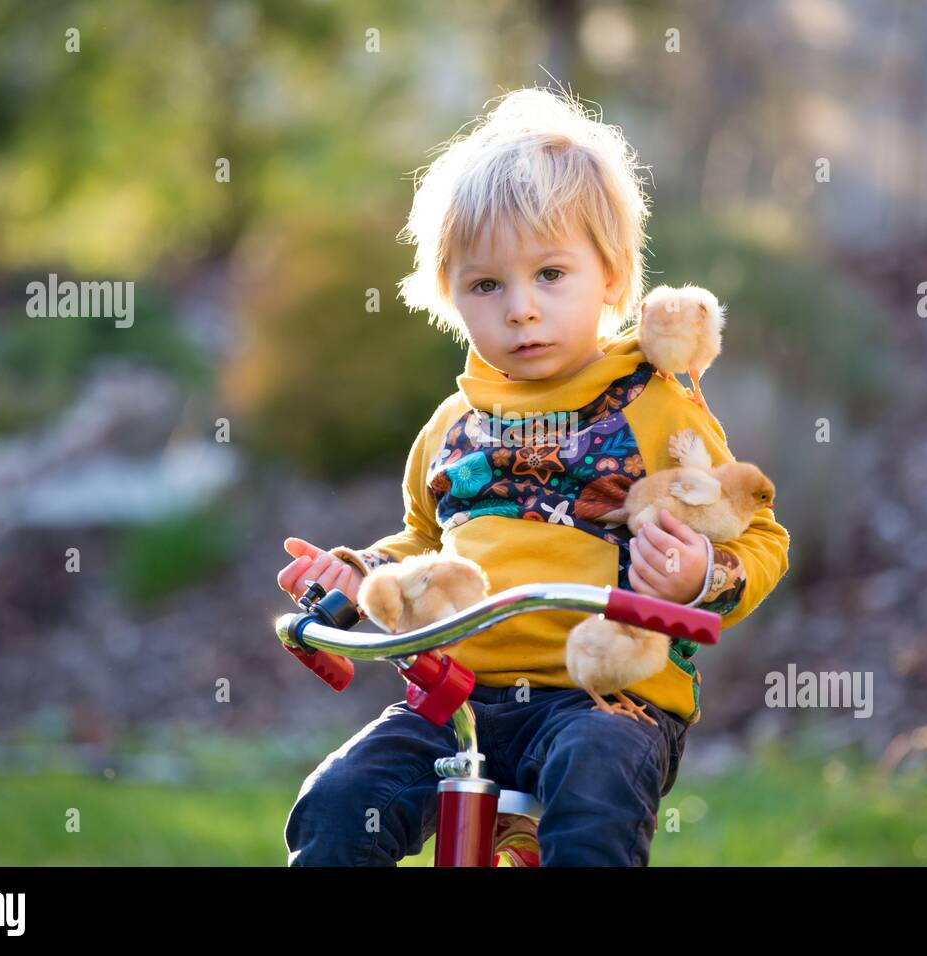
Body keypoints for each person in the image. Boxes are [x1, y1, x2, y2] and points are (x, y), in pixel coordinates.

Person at [279, 87, 790, 866]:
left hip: (604, 700)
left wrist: (697, 575)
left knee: (596, 783)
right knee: (339, 802)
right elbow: (425, 537)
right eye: (487, 285)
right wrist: (359, 574)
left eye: (551, 274)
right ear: (450, 297)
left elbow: (759, 534)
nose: (521, 309)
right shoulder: (452, 426)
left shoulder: (655, 405)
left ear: (613, 278)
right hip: (458, 702)